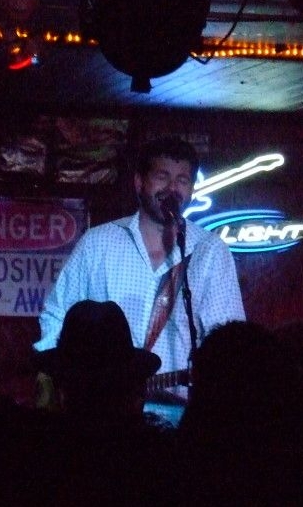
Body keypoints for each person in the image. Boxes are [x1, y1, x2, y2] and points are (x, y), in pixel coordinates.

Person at [33, 136, 245, 401]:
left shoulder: (210, 250)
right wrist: (65, 379)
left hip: (178, 409)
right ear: (139, 183)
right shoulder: (99, 243)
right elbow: (56, 315)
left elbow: (228, 341)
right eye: (162, 176)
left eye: (183, 180)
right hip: (103, 410)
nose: (172, 188)